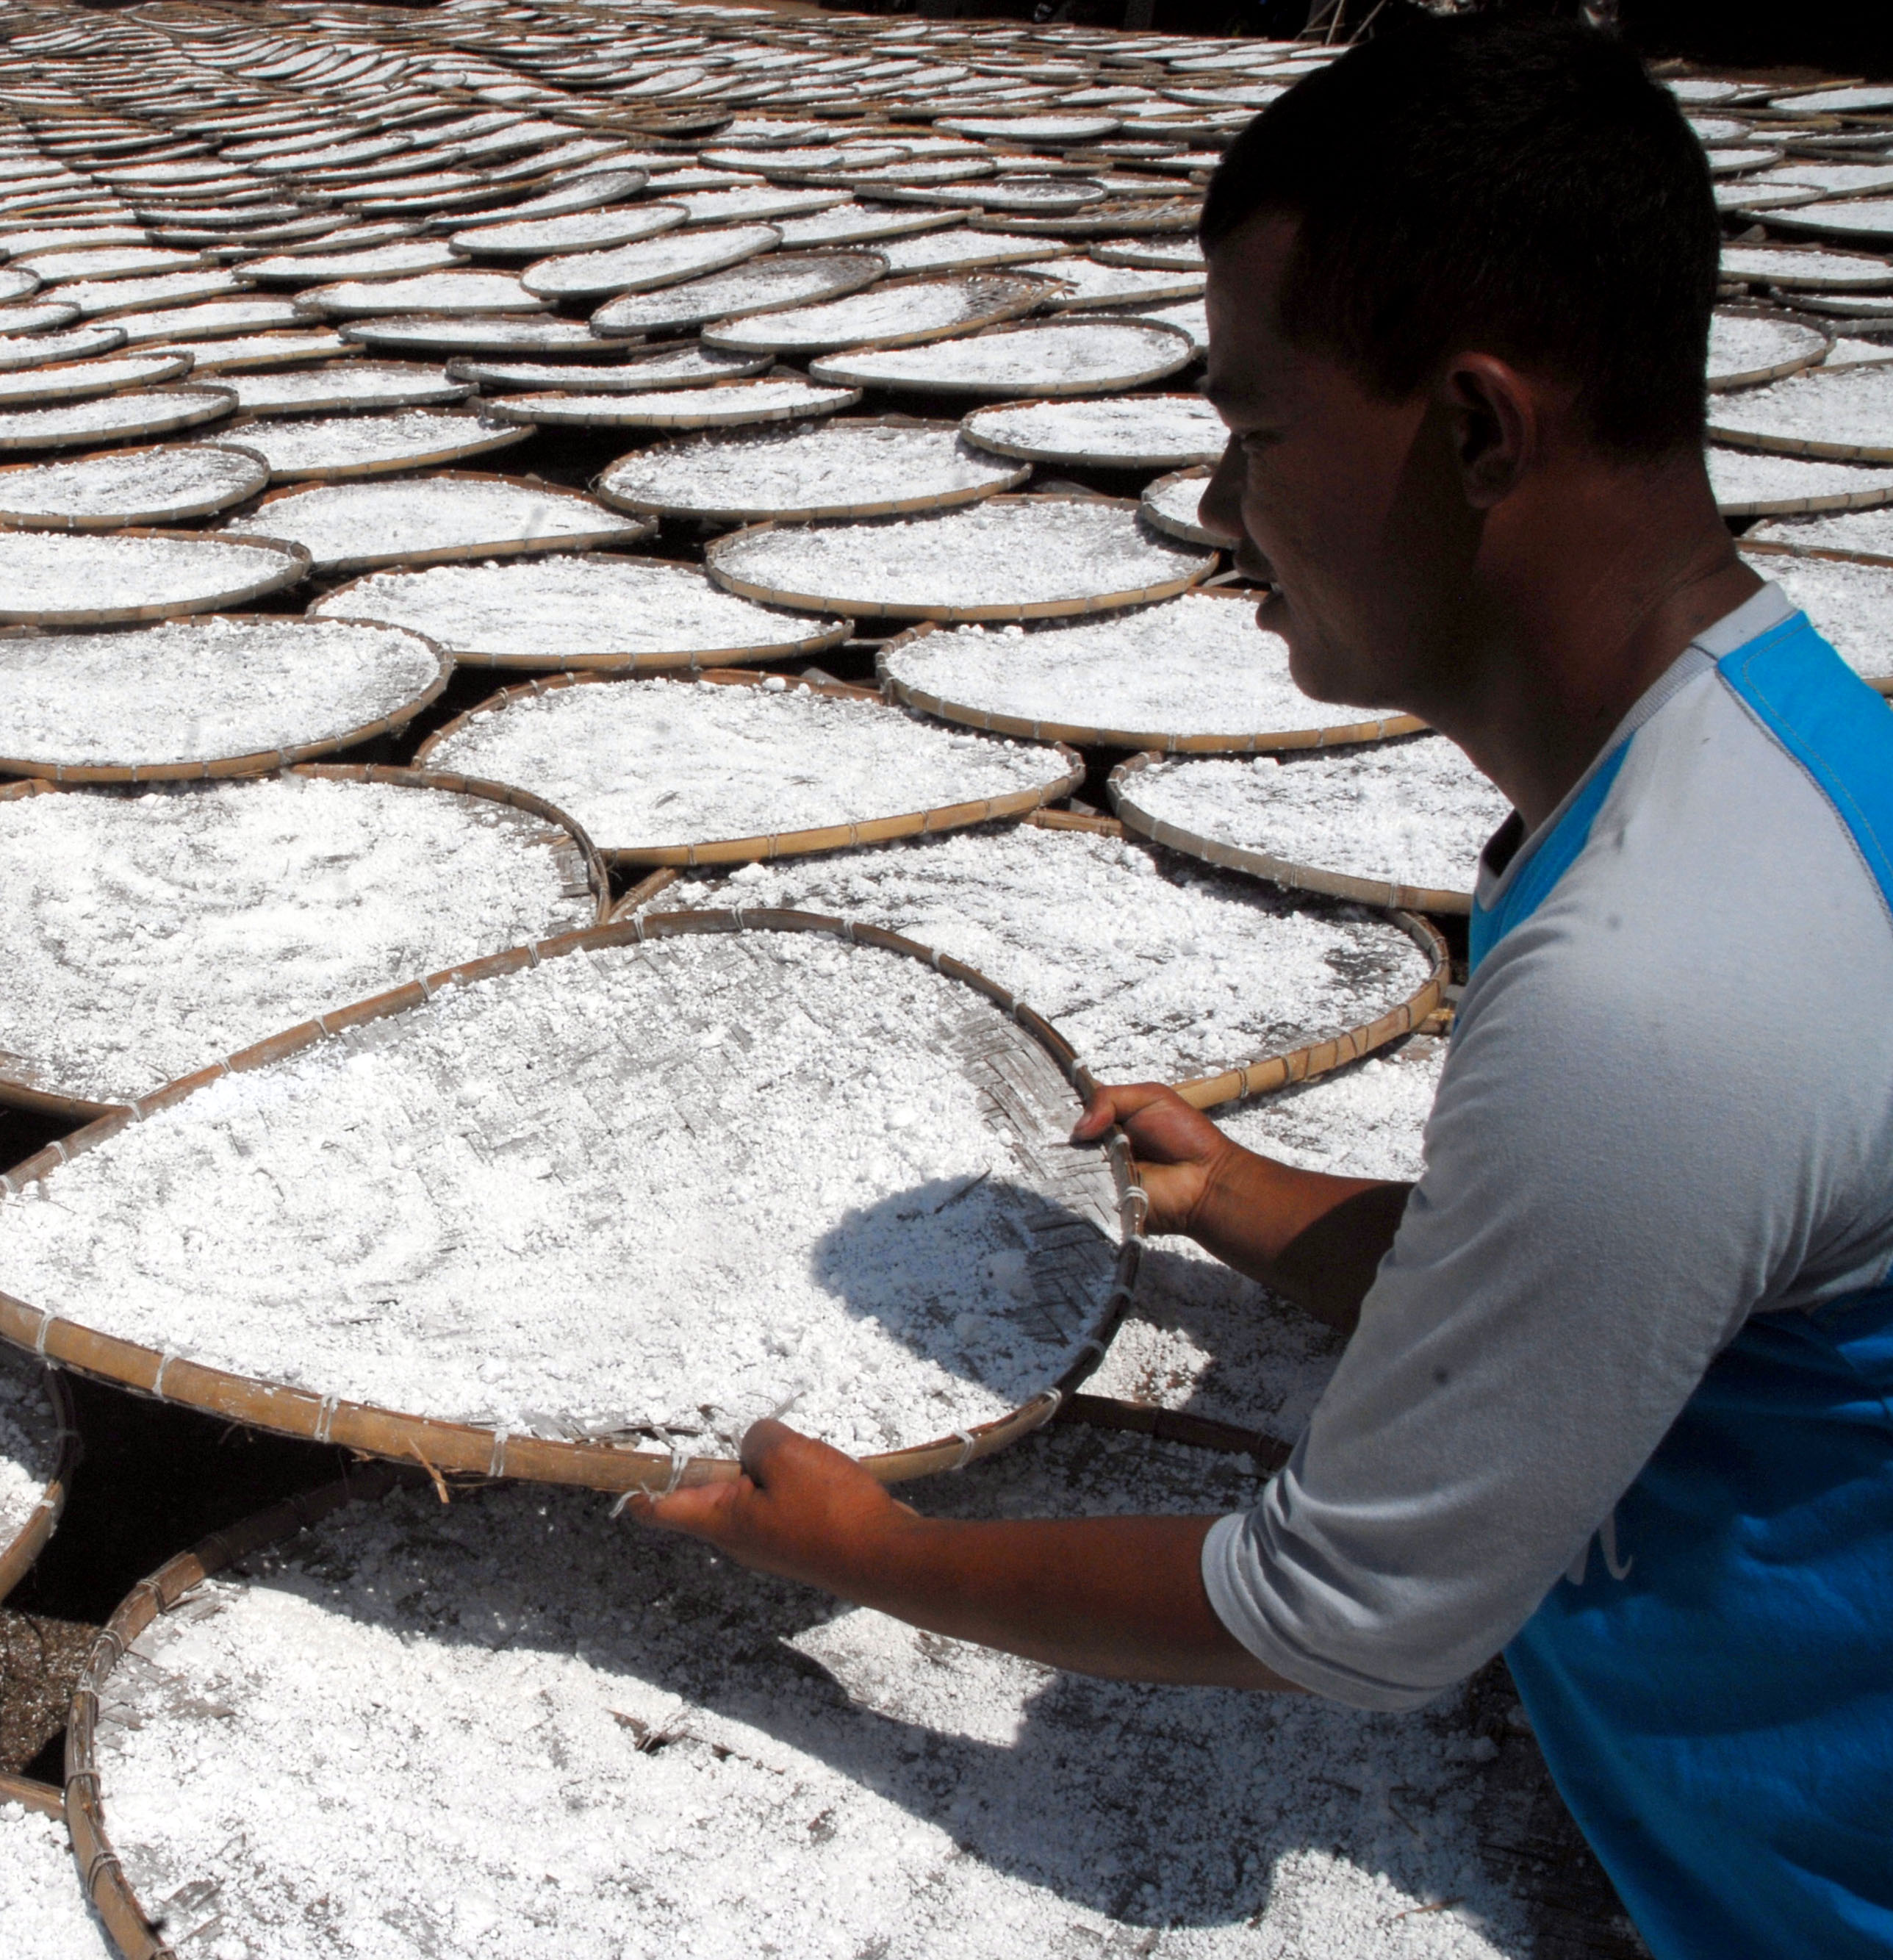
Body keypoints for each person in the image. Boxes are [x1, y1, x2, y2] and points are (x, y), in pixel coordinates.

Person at [631, 17, 1893, 1957]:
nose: (1222, 510)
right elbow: (1618, 1288)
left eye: (1260, 432)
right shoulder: (1777, 753)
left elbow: (1340, 1608)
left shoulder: (1654, 986)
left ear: (1476, 430)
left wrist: (875, 1553)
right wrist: (1248, 1200)